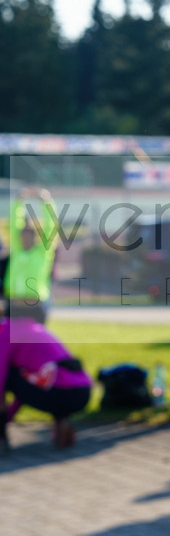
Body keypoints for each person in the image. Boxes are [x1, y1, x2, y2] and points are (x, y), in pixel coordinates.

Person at [1, 318, 92, 450]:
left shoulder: (5, 334)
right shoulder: (34, 327)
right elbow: (23, 391)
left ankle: (1, 437)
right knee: (29, 377)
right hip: (82, 391)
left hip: (58, 392)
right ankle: (62, 421)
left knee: (9, 376)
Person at [4, 187, 59, 324]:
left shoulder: (42, 253)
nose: (24, 239)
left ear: (34, 238)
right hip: (14, 303)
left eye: (28, 237)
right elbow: (15, 225)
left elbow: (50, 228)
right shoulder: (17, 251)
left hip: (36, 304)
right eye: (22, 236)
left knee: (35, 341)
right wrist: (19, 201)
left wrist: (47, 202)